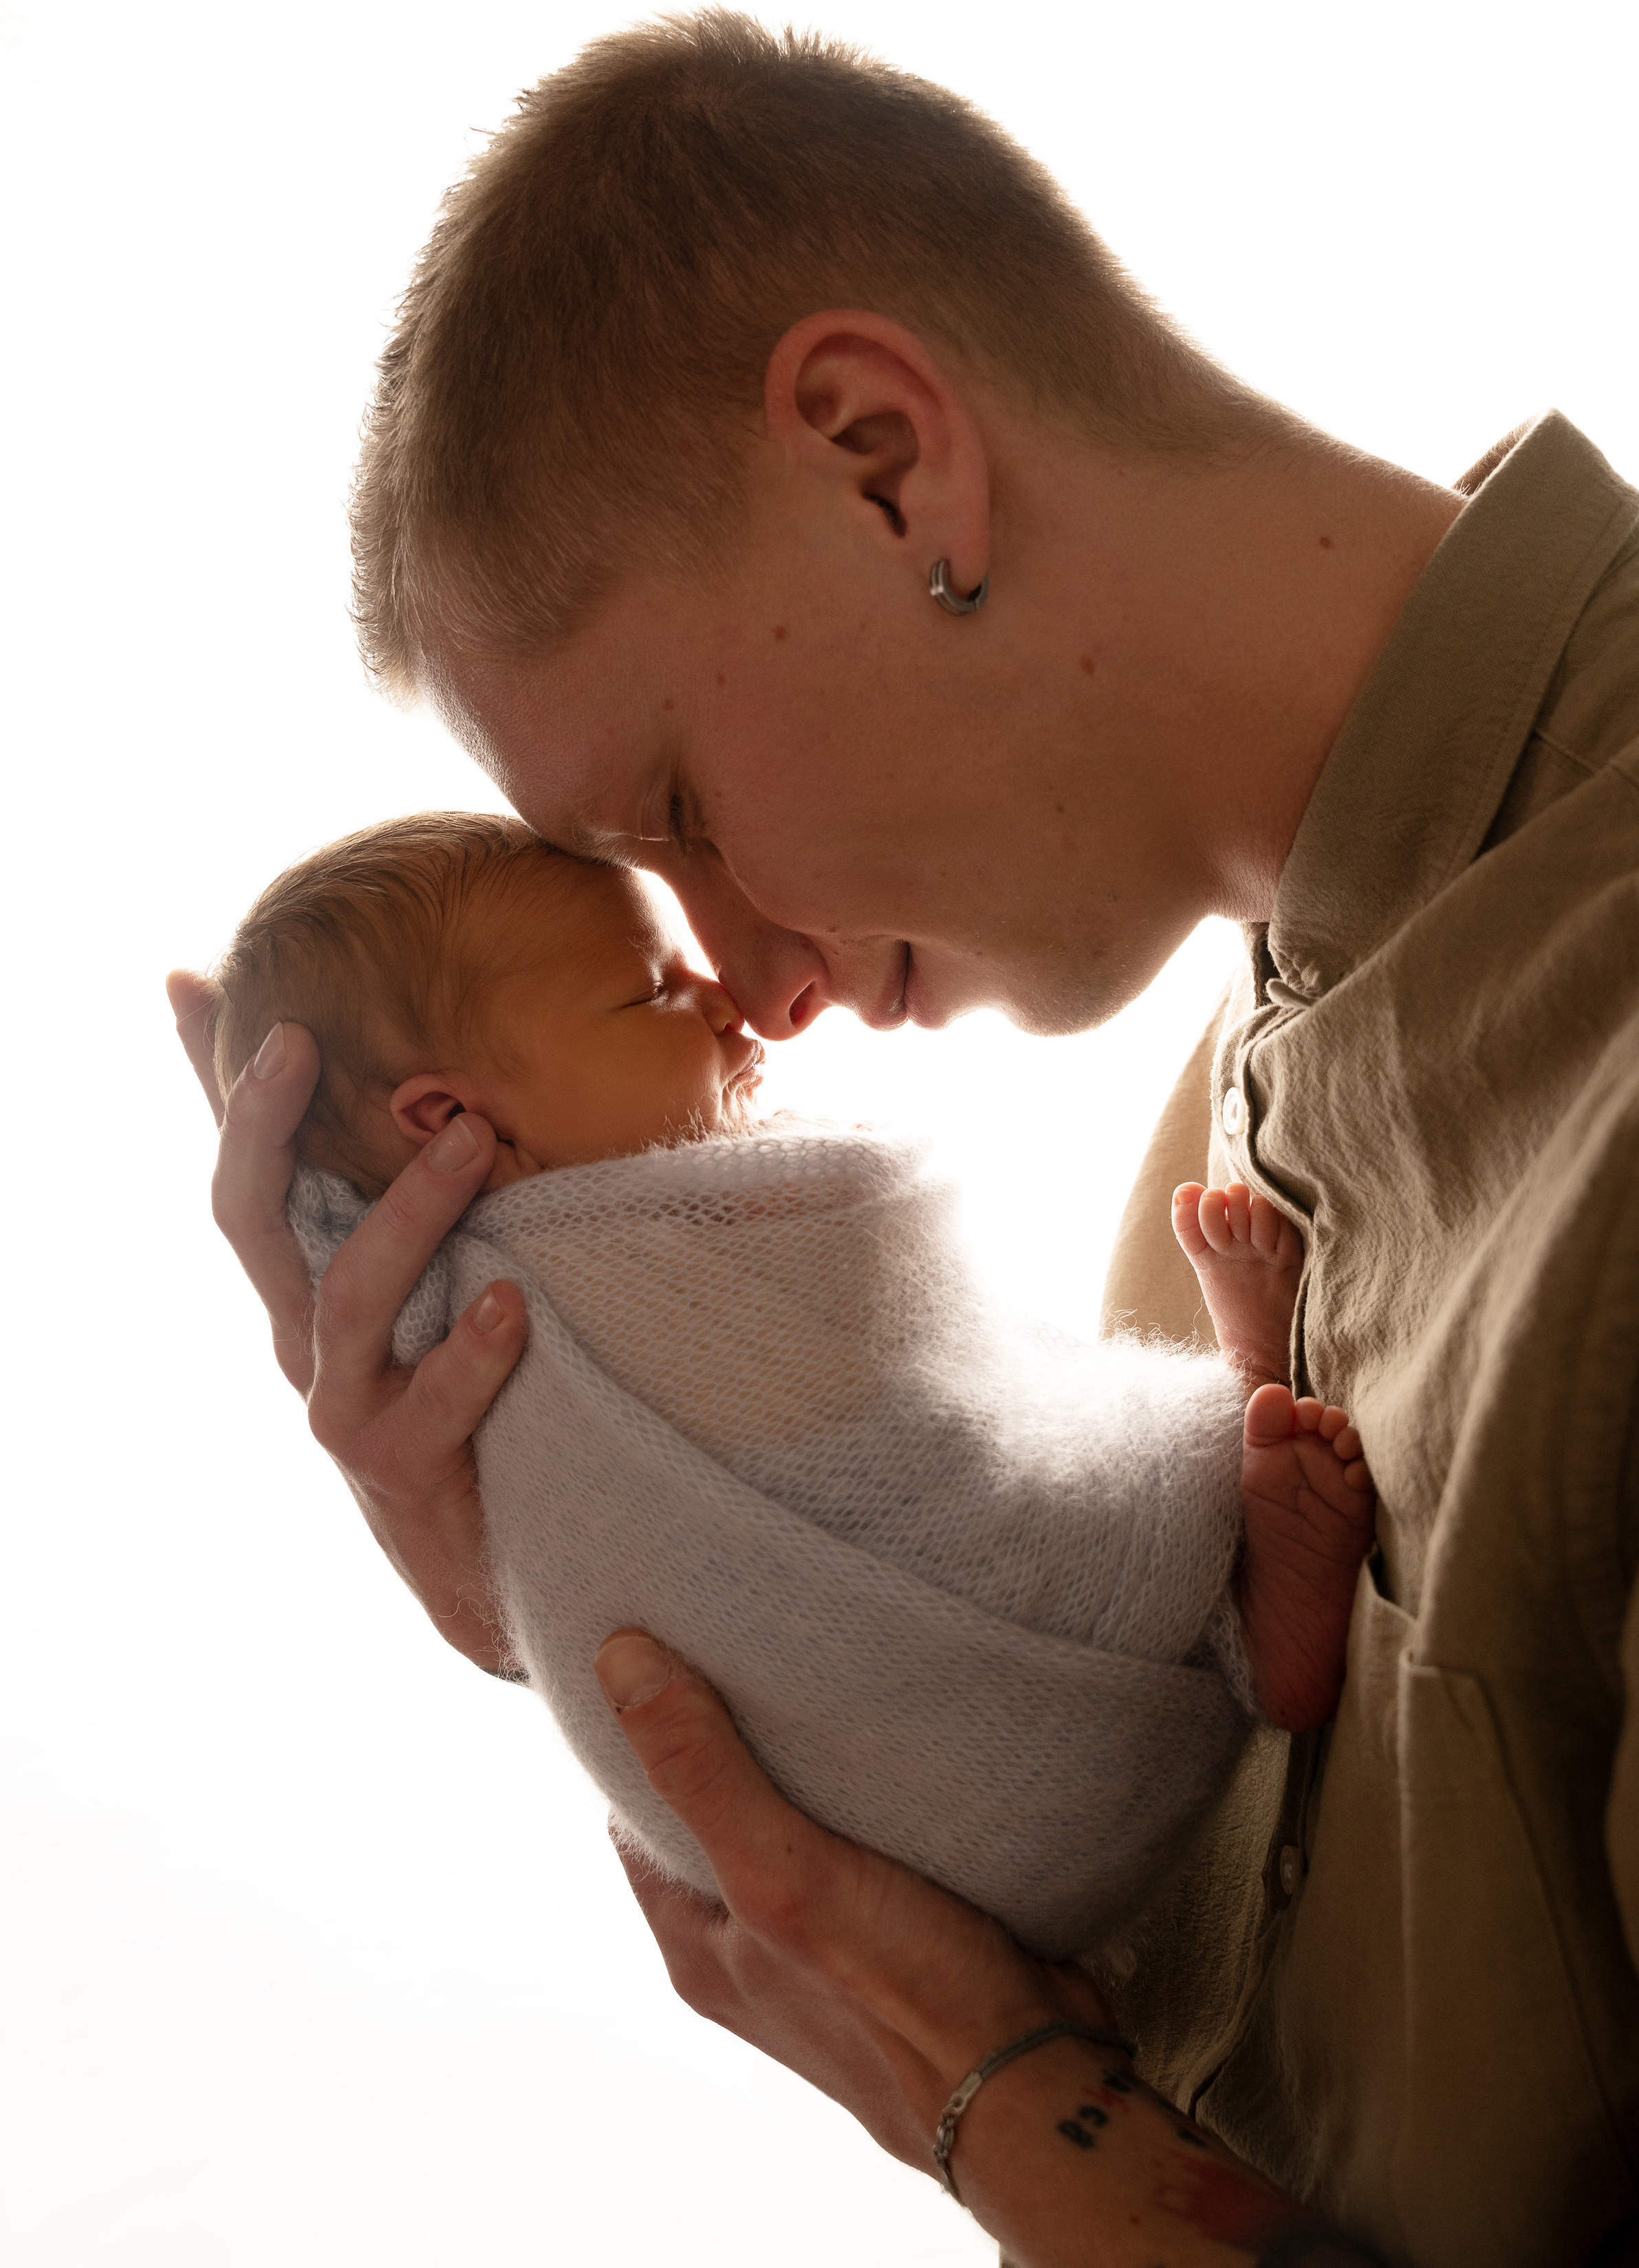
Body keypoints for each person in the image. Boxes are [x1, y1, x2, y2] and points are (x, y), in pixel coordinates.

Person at [171, 11, 1639, 2265]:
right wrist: (599, 1536)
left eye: (689, 819)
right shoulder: (1197, 1157)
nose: (750, 976)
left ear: (887, 458)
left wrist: (1004, 2112)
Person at [204, 806, 1372, 1932]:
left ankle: (1237, 1574)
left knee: (992, 1451)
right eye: (656, 989)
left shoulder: (451, 1307)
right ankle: (1233, 1511)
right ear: (451, 1116)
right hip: (893, 1766)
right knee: (1030, 1501)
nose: (729, 999)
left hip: (945, 1840)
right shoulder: (517, 1301)